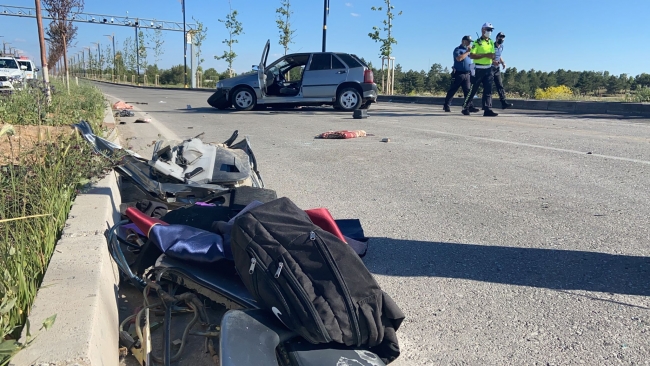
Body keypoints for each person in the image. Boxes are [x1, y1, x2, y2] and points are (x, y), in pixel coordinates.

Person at [462, 22, 499, 117]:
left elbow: (492, 54)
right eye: (488, 30)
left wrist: (493, 58)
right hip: (478, 69)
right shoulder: (477, 42)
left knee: (488, 90)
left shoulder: (490, 42)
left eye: (491, 30)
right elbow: (472, 55)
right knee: (473, 90)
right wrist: (485, 55)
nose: (490, 32)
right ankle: (465, 107)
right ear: (483, 30)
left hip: (488, 69)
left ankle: (487, 109)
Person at [443, 36, 480, 113]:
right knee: (453, 90)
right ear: (463, 41)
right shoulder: (457, 50)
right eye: (468, 41)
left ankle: (470, 106)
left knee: (468, 91)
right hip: (459, 73)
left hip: (467, 74)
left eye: (470, 42)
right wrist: (467, 52)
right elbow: (459, 59)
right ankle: (446, 105)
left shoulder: (469, 51)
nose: (469, 43)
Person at [493, 32, 513, 109]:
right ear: (496, 38)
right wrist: (493, 61)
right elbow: (487, 56)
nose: (501, 39)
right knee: (487, 86)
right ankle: (486, 105)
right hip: (490, 68)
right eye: (500, 37)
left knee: (500, 85)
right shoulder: (491, 46)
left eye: (503, 37)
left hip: (497, 68)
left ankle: (503, 102)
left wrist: (503, 62)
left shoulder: (501, 47)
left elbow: (499, 55)